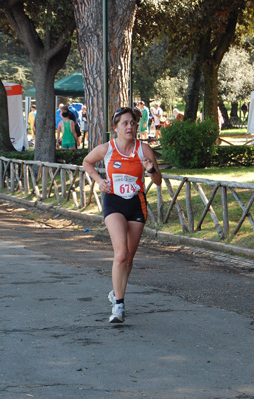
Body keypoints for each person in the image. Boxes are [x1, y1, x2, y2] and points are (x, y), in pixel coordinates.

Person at [82, 107, 162, 323]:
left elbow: (158, 181)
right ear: (115, 127)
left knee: (129, 259)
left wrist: (151, 170)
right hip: (114, 202)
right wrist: (99, 181)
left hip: (136, 203)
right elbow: (87, 162)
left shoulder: (143, 149)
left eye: (133, 123)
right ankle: (119, 306)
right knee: (121, 254)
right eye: (125, 123)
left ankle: (115, 292)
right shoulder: (107, 148)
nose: (130, 126)